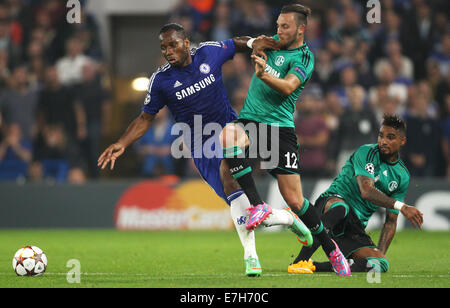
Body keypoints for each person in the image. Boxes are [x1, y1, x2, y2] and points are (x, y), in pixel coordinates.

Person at [97, 23, 309, 277]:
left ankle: (250, 257)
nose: (168, 51)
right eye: (163, 47)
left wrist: (253, 43)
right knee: (244, 207)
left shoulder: (208, 53)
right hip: (200, 148)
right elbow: (145, 119)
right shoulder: (161, 81)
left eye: (172, 44)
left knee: (230, 176)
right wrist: (121, 143)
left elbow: (234, 43)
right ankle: (287, 219)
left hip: (232, 132)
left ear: (186, 42)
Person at [219, 3, 351, 276]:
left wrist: (263, 74)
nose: (278, 30)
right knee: (229, 135)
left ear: (301, 29)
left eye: (285, 26)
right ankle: (258, 205)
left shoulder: (304, 58)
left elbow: (289, 86)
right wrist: (254, 43)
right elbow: (246, 42)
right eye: (277, 24)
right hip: (251, 121)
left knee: (295, 200)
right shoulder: (272, 42)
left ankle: (331, 248)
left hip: (280, 129)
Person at [289, 115, 424, 274]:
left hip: (353, 227)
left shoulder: (402, 176)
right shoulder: (366, 152)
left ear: (402, 141)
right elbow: (366, 191)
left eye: (390, 137)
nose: (383, 141)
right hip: (332, 204)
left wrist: (376, 254)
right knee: (342, 208)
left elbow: (390, 222)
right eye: (381, 136)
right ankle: (300, 260)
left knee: (380, 264)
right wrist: (402, 206)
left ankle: (314, 266)